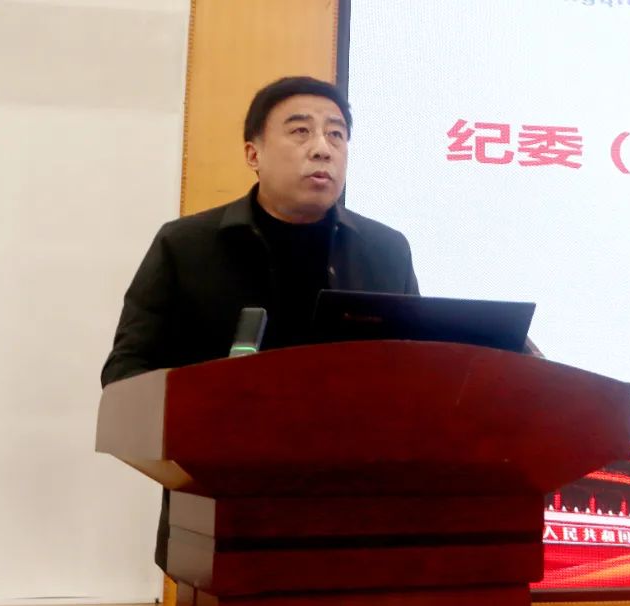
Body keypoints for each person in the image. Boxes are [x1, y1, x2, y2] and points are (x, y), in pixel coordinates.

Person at [100, 75, 420, 570]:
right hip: (223, 520)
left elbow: (420, 372)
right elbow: (127, 374)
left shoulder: (385, 250)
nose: (322, 148)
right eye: (300, 131)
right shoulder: (187, 246)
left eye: (337, 134)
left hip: (358, 522)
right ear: (254, 154)